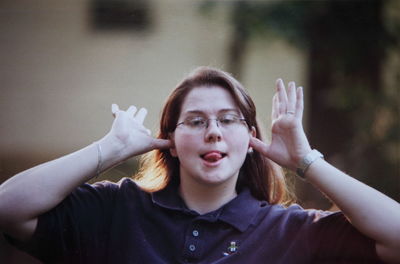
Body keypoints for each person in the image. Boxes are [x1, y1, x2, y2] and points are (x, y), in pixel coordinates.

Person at [0, 67, 399, 264]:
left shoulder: (292, 232)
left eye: (229, 120)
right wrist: (108, 151)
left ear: (251, 140)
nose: (213, 132)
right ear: (170, 141)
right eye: (195, 121)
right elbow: (9, 206)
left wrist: (306, 162)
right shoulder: (116, 211)